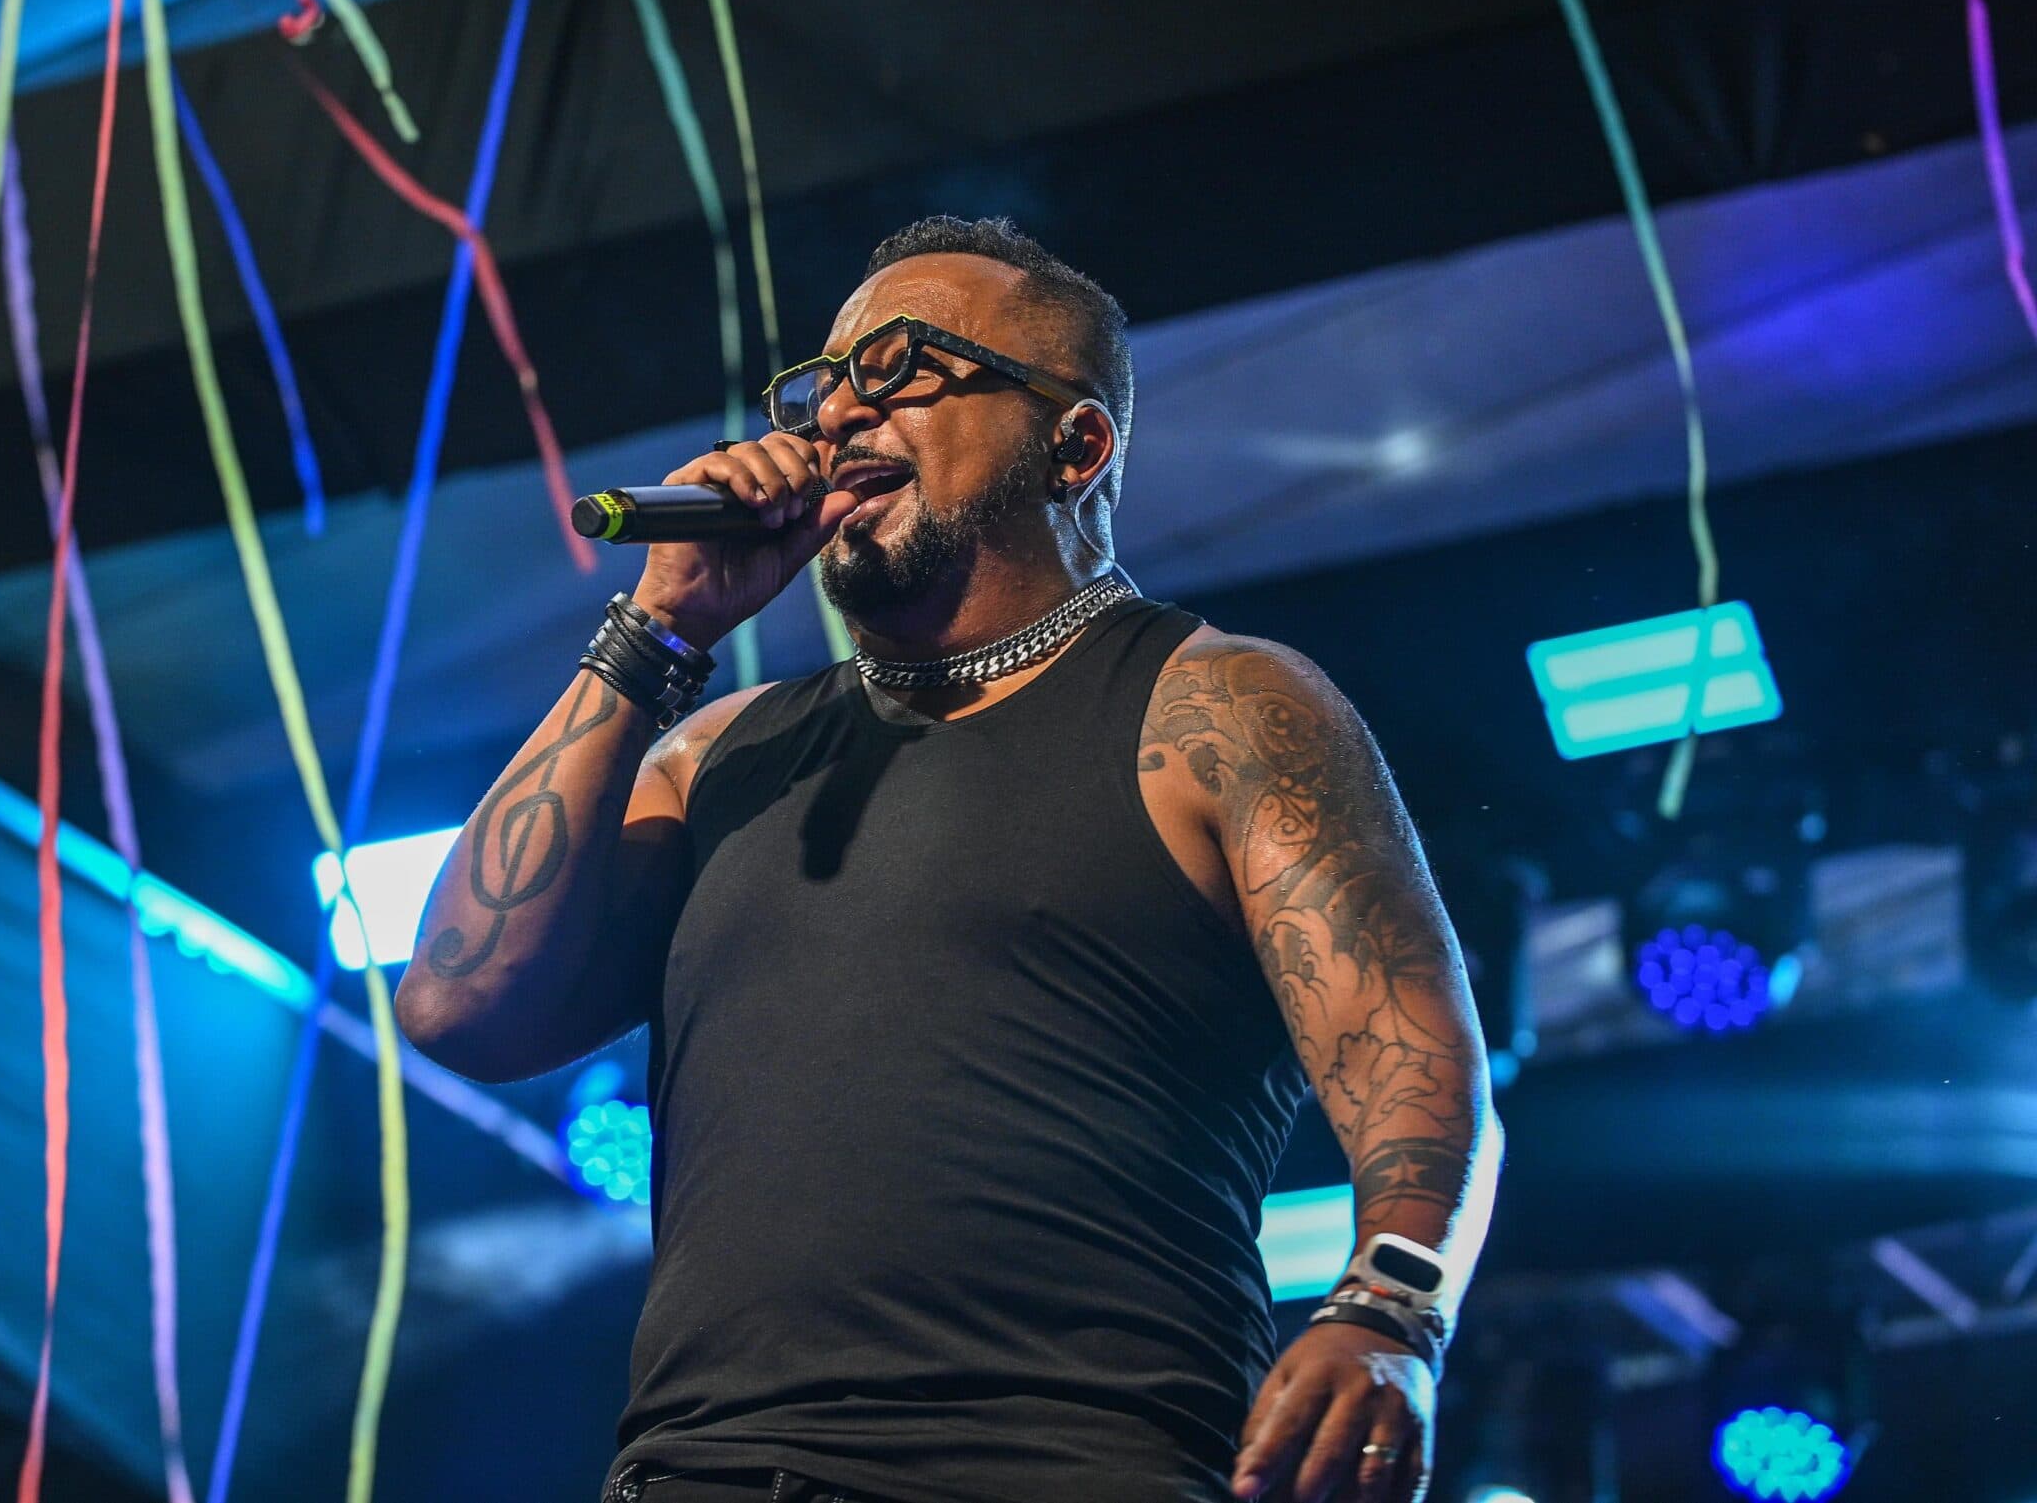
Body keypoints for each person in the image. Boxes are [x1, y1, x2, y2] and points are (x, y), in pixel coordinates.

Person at [397, 217, 1503, 1503]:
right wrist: (657, 627)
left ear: (1074, 446)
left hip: (1071, 1464)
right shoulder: (712, 752)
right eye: (825, 386)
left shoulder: (1216, 706)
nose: (839, 416)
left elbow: (1409, 1050)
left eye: (903, 369)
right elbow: (460, 1003)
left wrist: (1390, 1304)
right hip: (707, 1470)